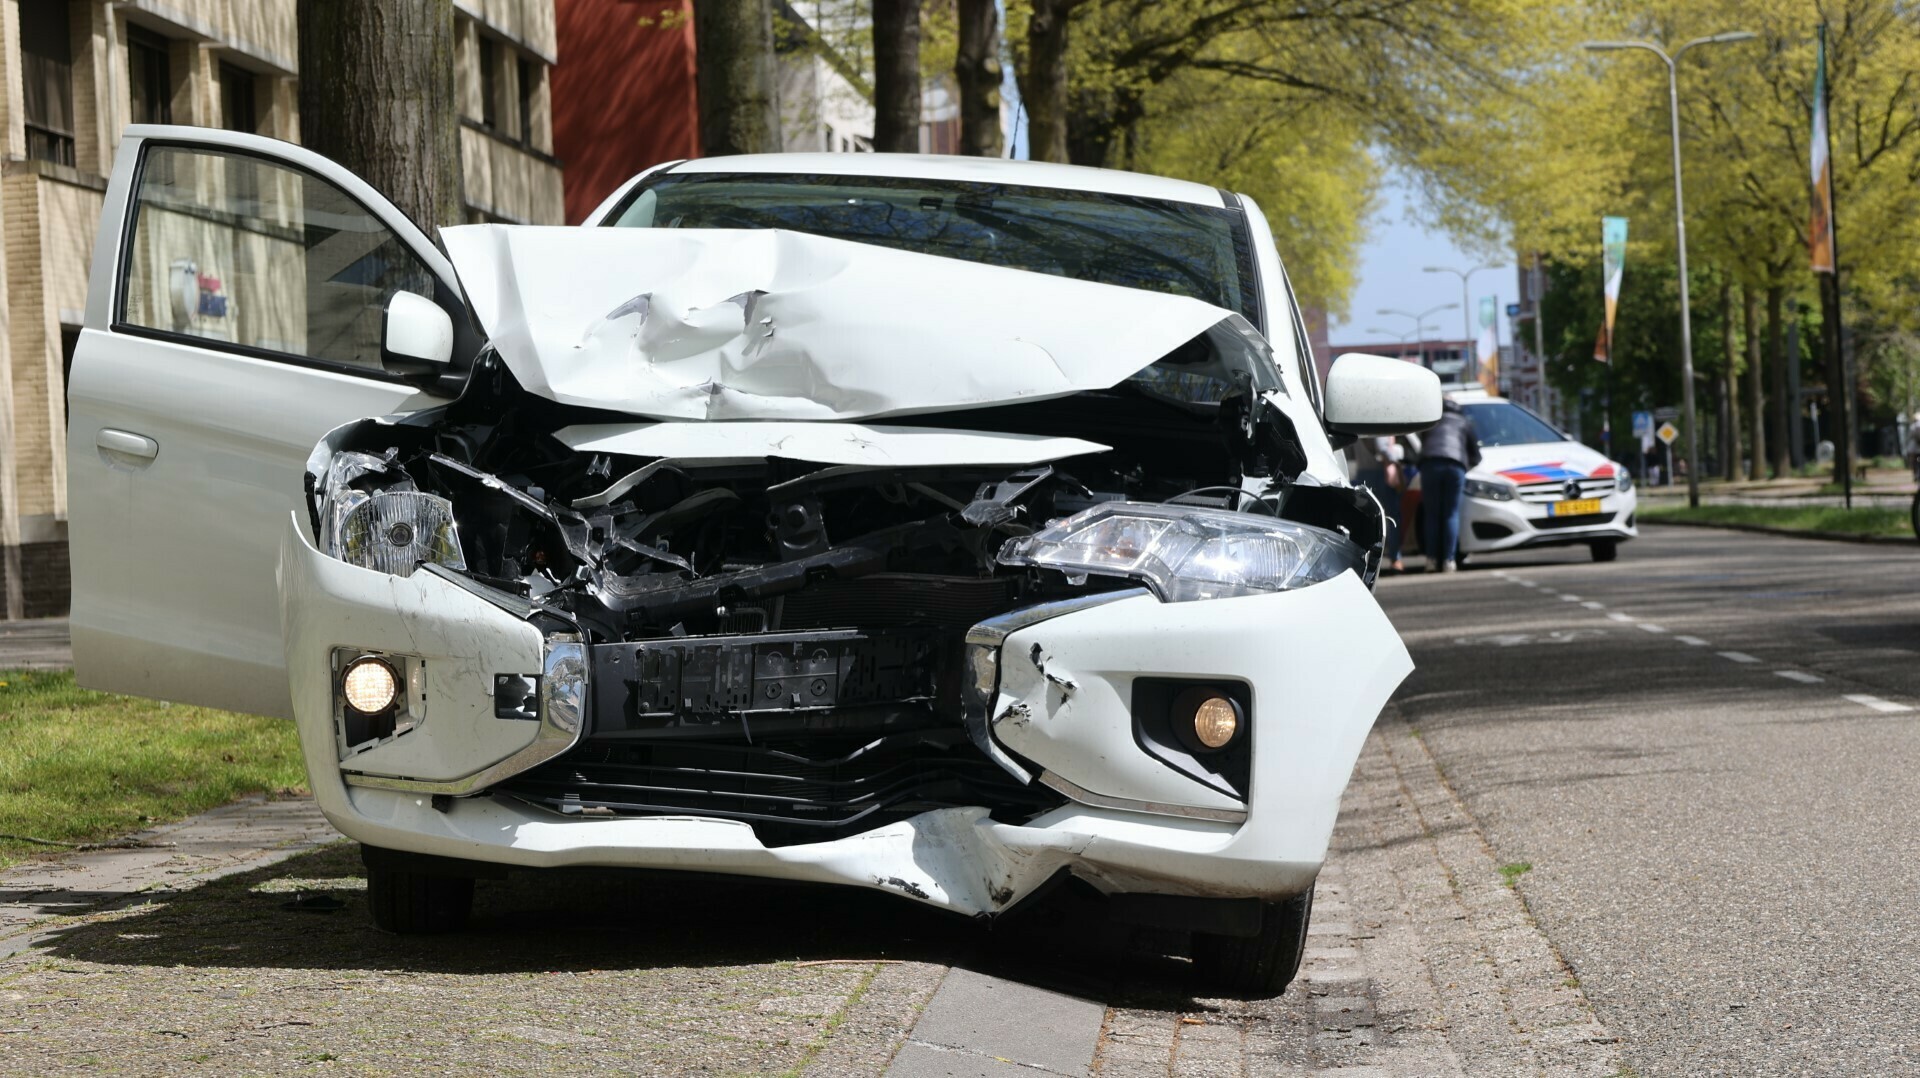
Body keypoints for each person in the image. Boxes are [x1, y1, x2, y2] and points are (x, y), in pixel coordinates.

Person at [1418, 397, 1482, 573]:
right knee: (1451, 514)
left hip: (1431, 465)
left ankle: (1431, 560)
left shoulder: (1430, 422)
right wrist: (1463, 467)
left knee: (1431, 515)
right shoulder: (1464, 422)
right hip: (1455, 466)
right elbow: (1476, 456)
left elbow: (1423, 445)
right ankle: (1449, 560)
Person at [1349, 435, 1408, 572]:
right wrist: (1394, 459)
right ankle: (1395, 559)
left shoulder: (1357, 424)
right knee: (1392, 517)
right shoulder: (1379, 422)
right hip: (1379, 473)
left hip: (1363, 473)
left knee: (1366, 519)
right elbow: (1382, 447)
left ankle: (1363, 560)